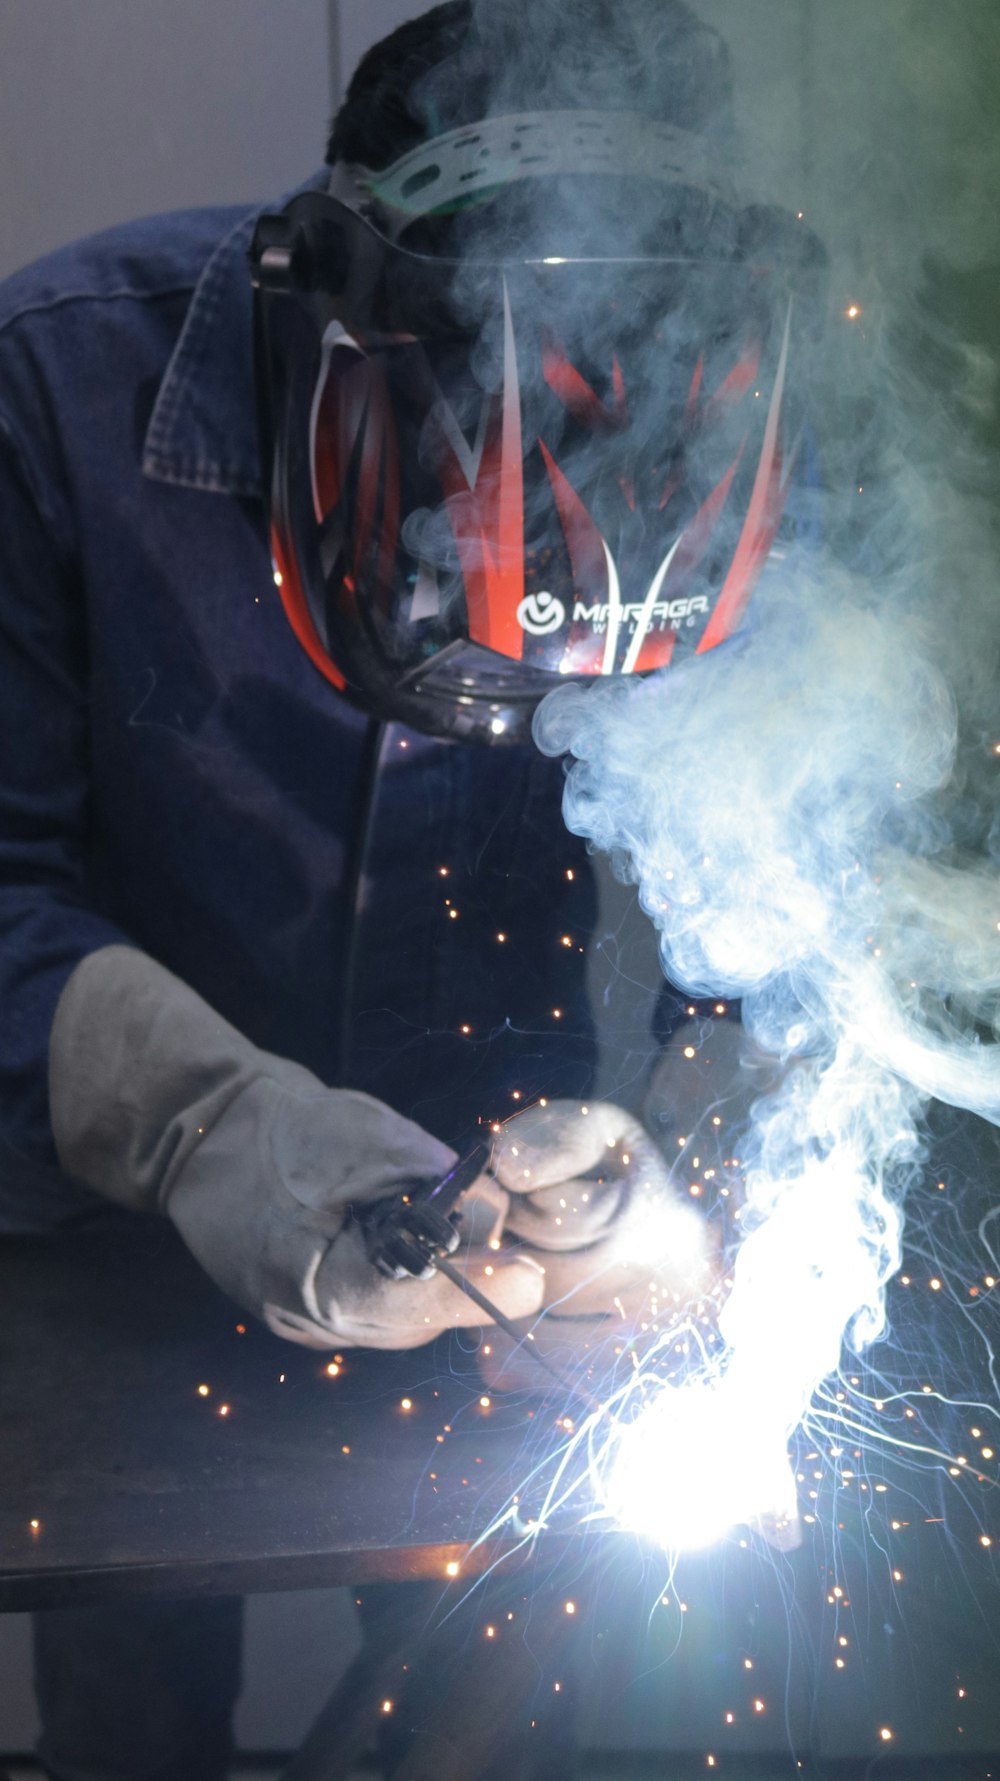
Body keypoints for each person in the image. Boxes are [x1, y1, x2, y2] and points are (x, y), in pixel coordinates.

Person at [0, 2, 819, 1773]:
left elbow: (774, 931)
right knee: (128, 1689)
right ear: (336, 355)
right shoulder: (51, 386)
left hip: (518, 1248)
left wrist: (685, 1162)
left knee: (483, 1691)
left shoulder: (751, 433)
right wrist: (203, 1122)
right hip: (110, 1227)